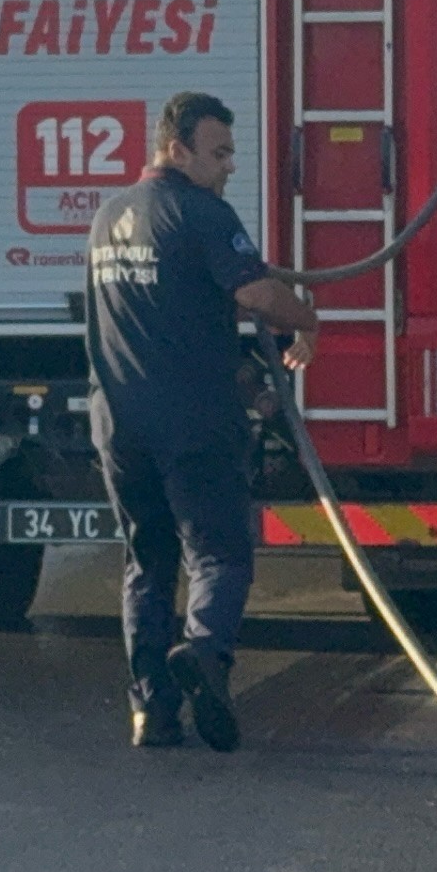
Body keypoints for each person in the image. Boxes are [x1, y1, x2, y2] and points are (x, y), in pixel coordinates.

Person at [84, 91, 315, 751]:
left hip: (120, 424)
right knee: (218, 551)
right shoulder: (201, 212)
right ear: (175, 148)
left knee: (147, 562)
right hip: (193, 422)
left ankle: (151, 710)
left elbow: (158, 323)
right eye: (218, 153)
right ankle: (206, 651)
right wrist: (308, 318)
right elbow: (255, 293)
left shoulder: (108, 216)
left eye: (231, 153)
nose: (229, 166)